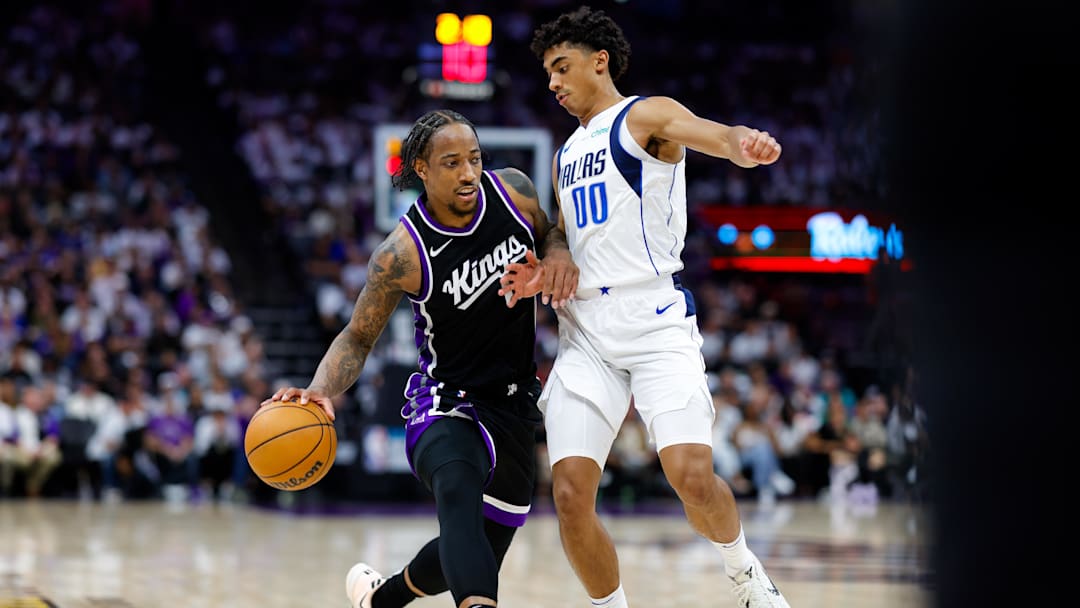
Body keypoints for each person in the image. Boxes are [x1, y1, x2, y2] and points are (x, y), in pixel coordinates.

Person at [501, 6, 787, 607]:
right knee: (569, 495)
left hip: (654, 319)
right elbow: (563, 232)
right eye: (548, 73)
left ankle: (744, 572)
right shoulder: (564, 153)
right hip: (585, 330)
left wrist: (746, 145)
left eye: (562, 67)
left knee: (692, 478)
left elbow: (717, 136)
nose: (552, 83)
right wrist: (550, 261)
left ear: (599, 62)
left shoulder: (645, 116)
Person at [264, 109, 574, 608]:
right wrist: (320, 388)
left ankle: (381, 601)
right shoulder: (401, 254)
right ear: (422, 169)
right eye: (452, 163)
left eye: (474, 158)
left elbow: (550, 233)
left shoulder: (514, 193)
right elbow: (358, 336)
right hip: (446, 401)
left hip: (515, 402)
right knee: (457, 495)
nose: (468, 173)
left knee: (480, 546)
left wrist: (556, 254)